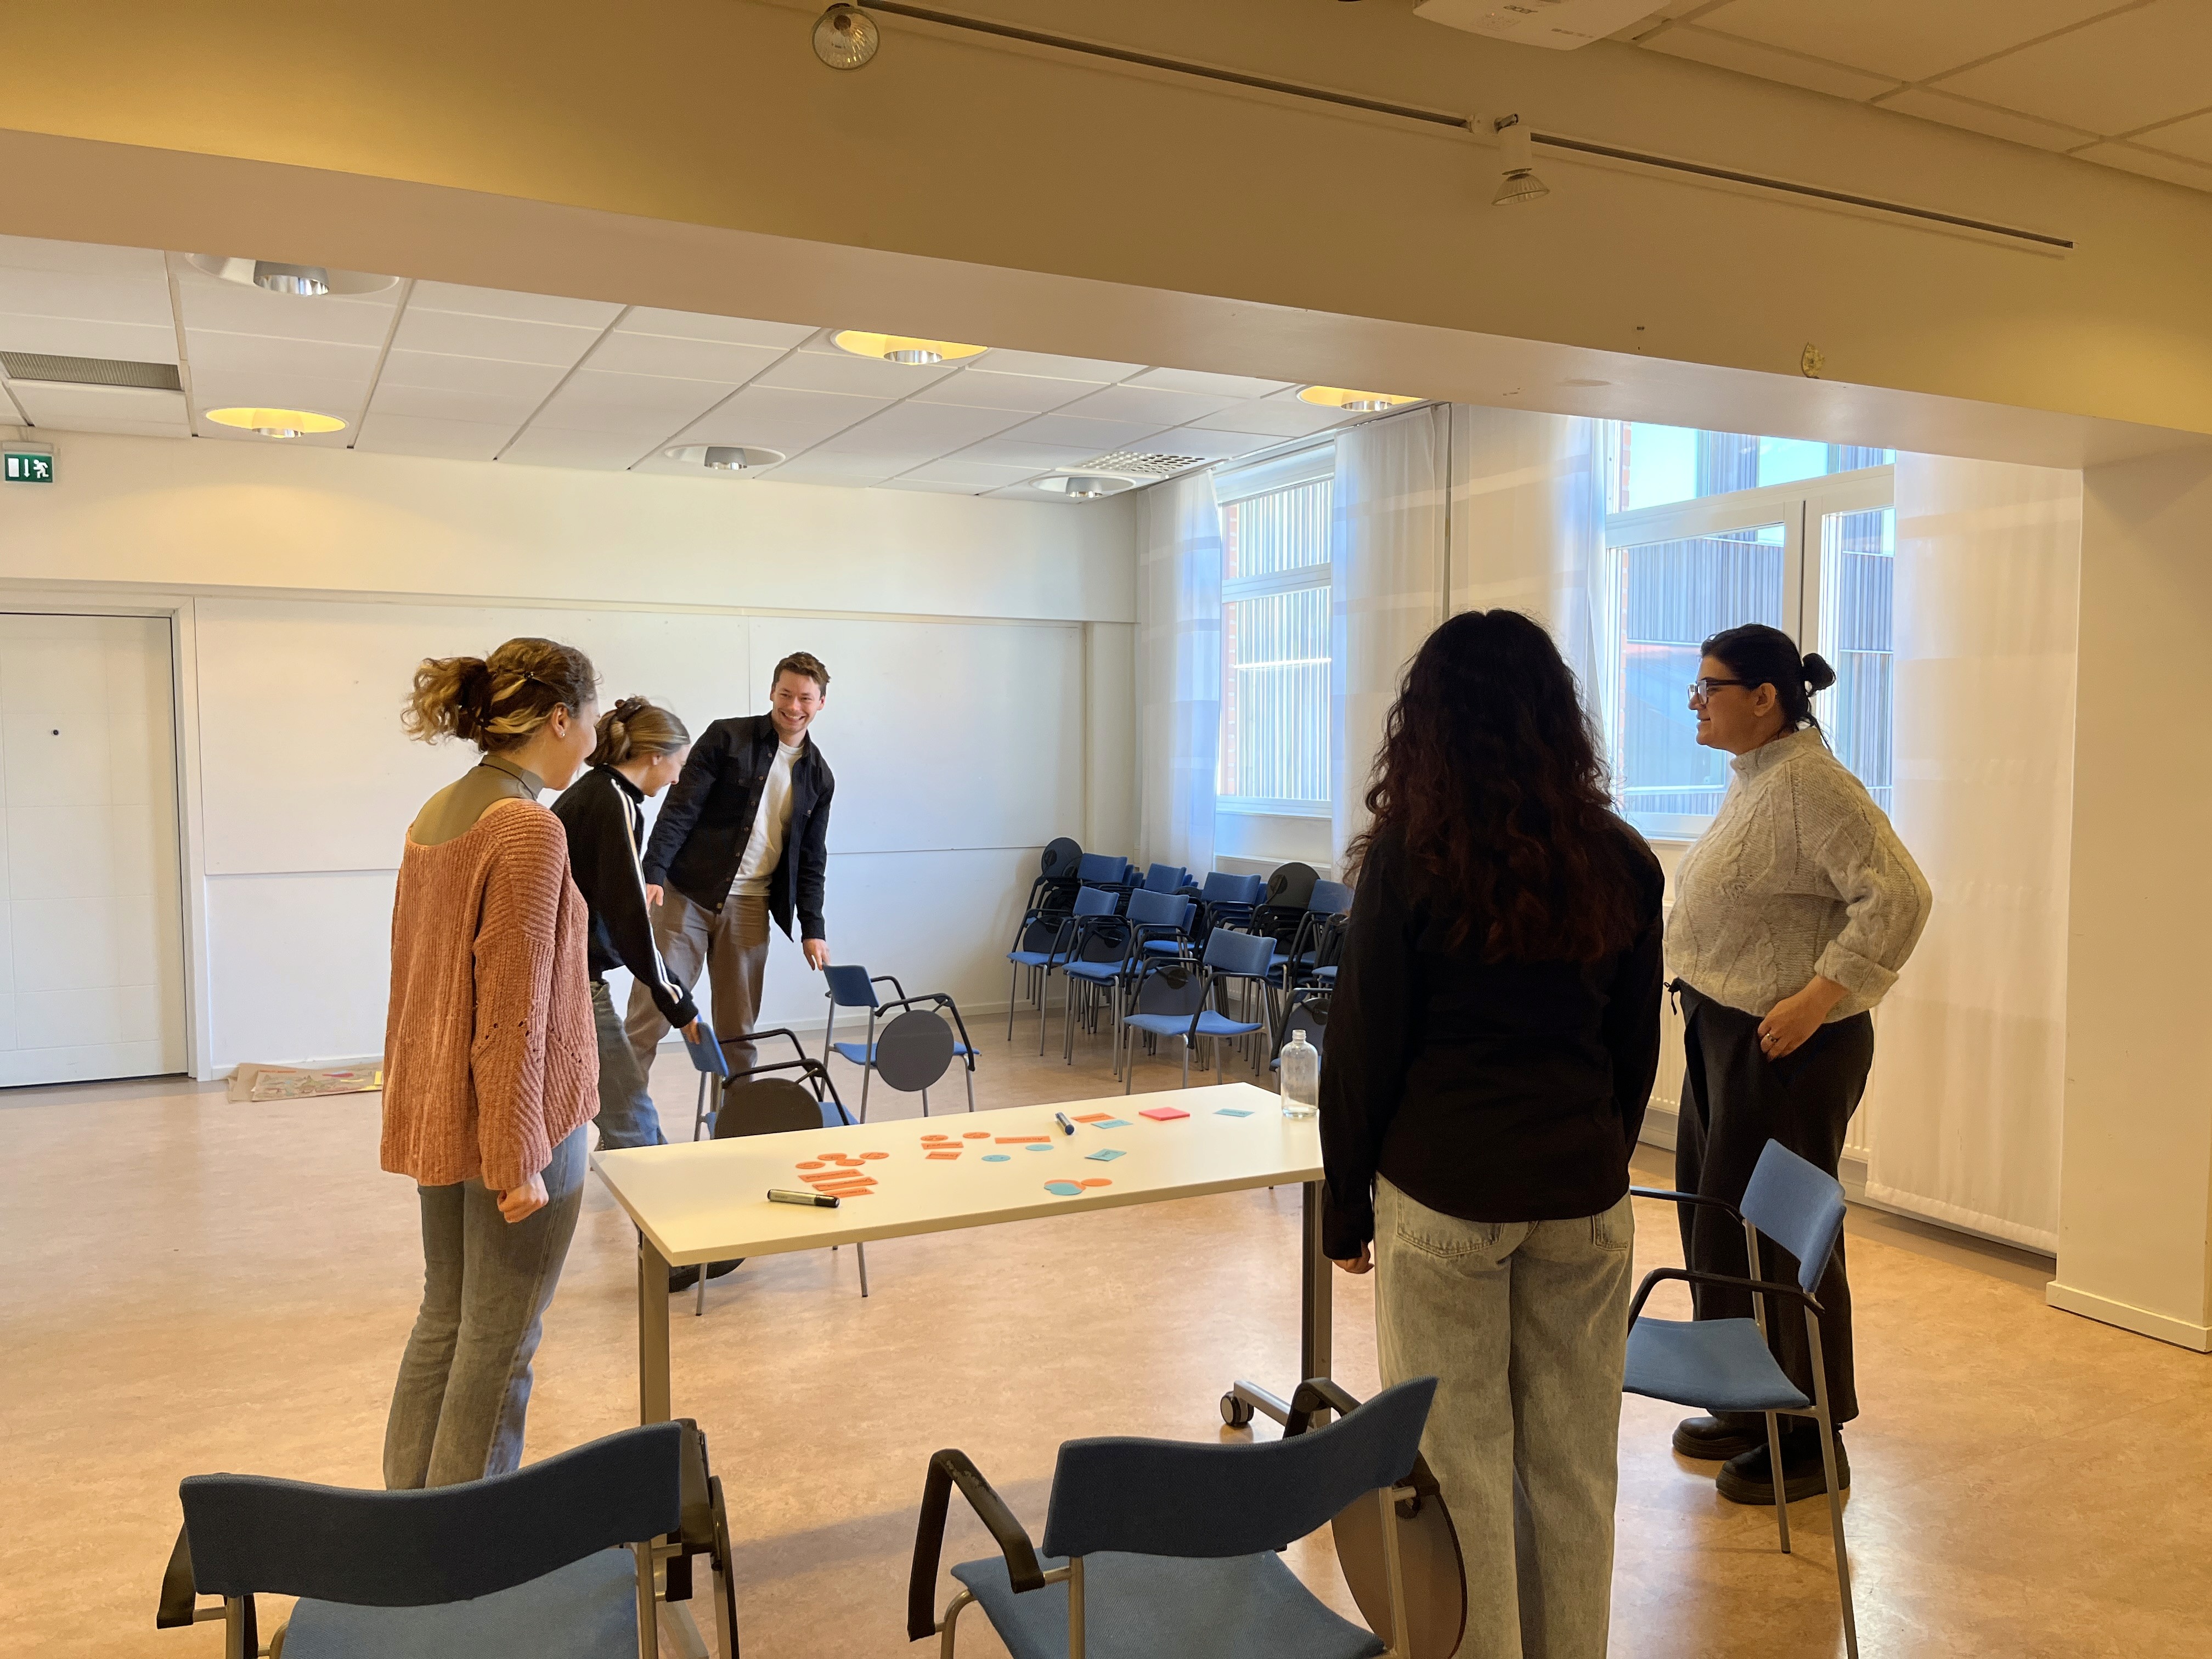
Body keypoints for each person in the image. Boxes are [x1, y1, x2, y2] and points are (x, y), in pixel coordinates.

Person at [1320, 610, 1664, 1659]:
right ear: (1558, 717)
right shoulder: (1622, 859)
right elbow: (1633, 1051)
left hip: (1444, 1195)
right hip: (1584, 1194)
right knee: (1575, 1467)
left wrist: (1344, 1206)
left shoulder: (1409, 859)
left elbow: (1363, 1046)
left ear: (1424, 725)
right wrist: (1593, 1156)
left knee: (1457, 1465)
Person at [1666, 623, 1929, 1506]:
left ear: (1764, 697)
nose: (1695, 702)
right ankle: (1749, 1403)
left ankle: (1812, 1437)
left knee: (1779, 1240)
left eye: (1709, 687)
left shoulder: (1812, 784)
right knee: (1718, 1226)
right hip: (1727, 1034)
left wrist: (1821, 995)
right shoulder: (1757, 777)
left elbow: (1900, 895)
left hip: (1789, 1047)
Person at [380, 637, 601, 1489]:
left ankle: (409, 1522)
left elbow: (417, 978)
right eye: (590, 720)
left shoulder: (437, 813)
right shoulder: (527, 829)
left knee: (446, 1319)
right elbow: (514, 1014)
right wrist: (517, 1157)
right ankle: (460, 1544)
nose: (593, 740)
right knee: (499, 1342)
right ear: (559, 719)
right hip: (523, 1123)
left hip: (449, 1110)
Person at [628, 652, 836, 1079]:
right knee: (650, 1016)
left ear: (820, 703)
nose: (794, 706)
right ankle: (620, 1117)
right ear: (772, 692)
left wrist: (812, 927)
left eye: (805, 698)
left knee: (738, 1033)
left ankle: (737, 1114)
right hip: (686, 894)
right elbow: (679, 810)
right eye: (786, 694)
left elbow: (812, 858)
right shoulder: (726, 737)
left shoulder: (819, 776)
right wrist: (653, 873)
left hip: (751, 907)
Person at [551, 696, 699, 1151]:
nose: (677, 778)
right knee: (632, 1119)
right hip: (572, 980)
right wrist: (677, 1002)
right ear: (655, 755)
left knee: (631, 1114)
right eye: (678, 764)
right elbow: (630, 920)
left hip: (566, 974)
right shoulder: (614, 801)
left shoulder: (598, 791)